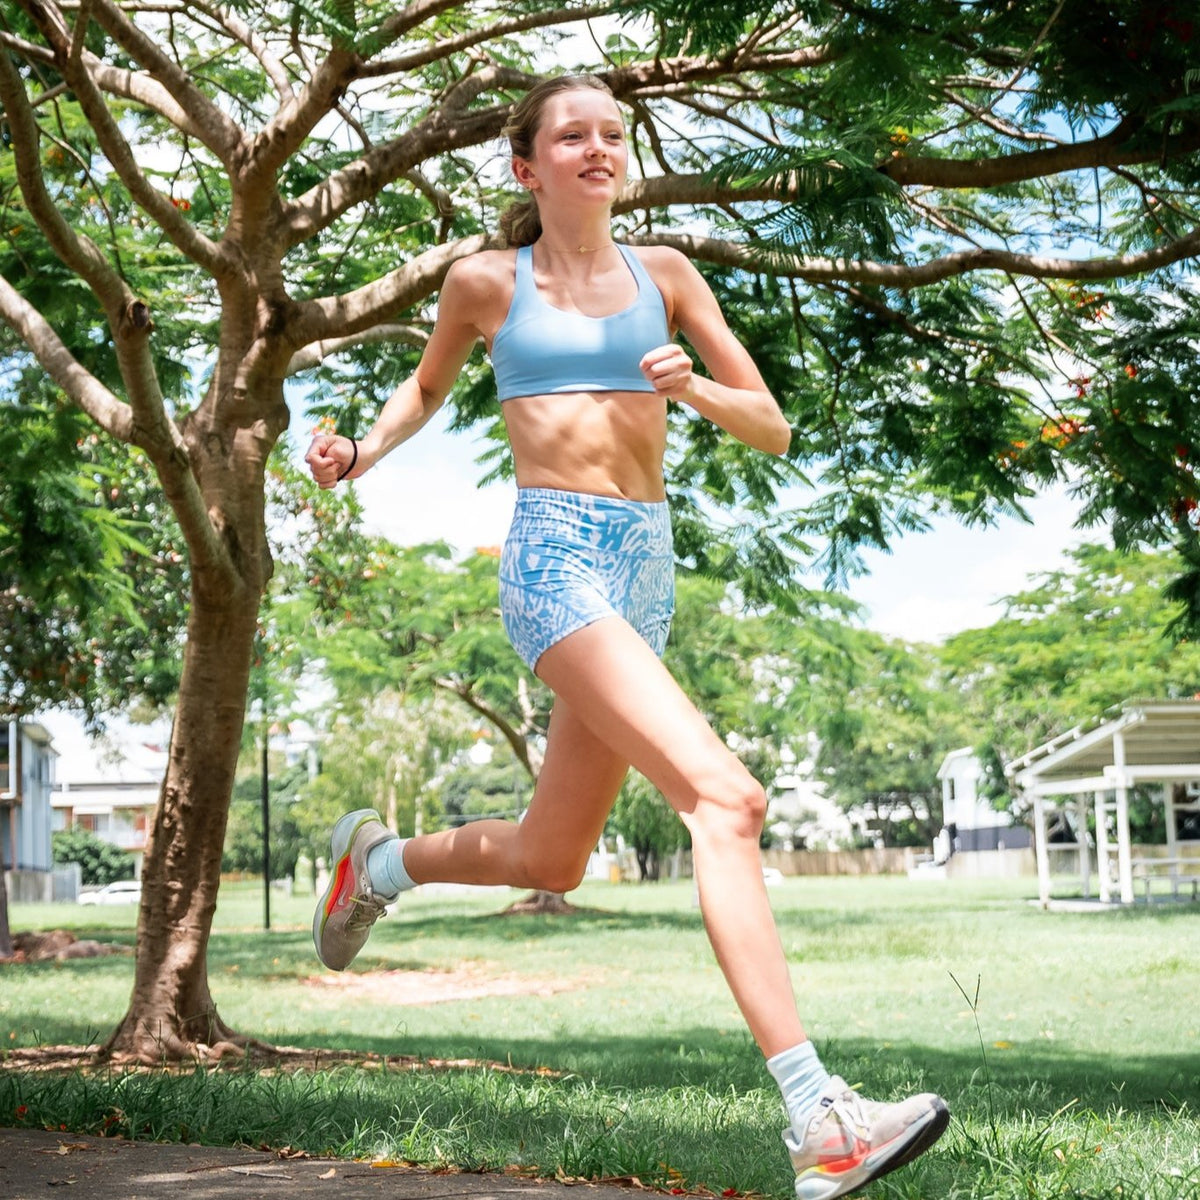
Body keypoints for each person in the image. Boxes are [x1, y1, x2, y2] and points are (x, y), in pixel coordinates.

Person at [305, 74, 948, 1200]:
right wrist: (355, 453)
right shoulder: (485, 283)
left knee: (552, 858)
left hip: (647, 565)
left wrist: (692, 385)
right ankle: (820, 1117)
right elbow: (424, 389)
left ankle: (381, 864)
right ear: (527, 165)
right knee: (727, 800)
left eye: (613, 134)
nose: (598, 148)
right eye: (572, 134)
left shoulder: (669, 277)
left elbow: (774, 428)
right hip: (553, 557)